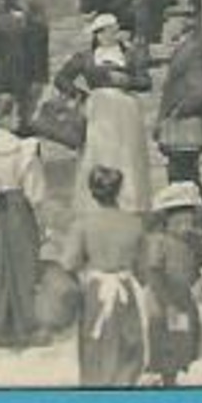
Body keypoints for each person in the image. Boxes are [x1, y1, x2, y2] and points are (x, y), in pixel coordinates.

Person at [60, 165, 150, 387]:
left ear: (92, 192)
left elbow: (68, 263)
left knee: (95, 348)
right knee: (128, 347)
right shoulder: (134, 224)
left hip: (95, 293)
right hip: (125, 292)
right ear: (118, 190)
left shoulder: (83, 225)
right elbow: (143, 271)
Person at [57, 14, 154, 215]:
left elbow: (146, 82)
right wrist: (80, 95)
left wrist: (127, 82)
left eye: (112, 30)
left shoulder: (129, 54)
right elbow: (62, 78)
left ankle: (130, 201)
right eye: (104, 31)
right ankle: (98, 199)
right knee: (99, 151)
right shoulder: (85, 57)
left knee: (127, 154)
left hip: (126, 110)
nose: (109, 35)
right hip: (99, 109)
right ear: (97, 35)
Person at [0, 92, 47, 349]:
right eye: (15, 113)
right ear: (3, 118)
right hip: (19, 208)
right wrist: (41, 219)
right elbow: (35, 190)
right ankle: (25, 324)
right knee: (24, 263)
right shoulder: (25, 148)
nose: (19, 118)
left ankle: (0, 324)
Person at [139, 181, 202, 385]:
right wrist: (167, 301)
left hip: (183, 296)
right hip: (163, 295)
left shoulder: (193, 243)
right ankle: (162, 376)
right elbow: (154, 271)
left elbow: (198, 267)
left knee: (183, 340)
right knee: (164, 335)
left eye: (189, 222)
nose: (186, 228)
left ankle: (175, 376)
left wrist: (200, 284)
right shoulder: (159, 241)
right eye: (179, 223)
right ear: (166, 220)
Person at [155, 19, 202, 191]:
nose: (165, 27)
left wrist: (177, 112)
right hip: (182, 128)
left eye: (168, 23)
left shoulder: (192, 52)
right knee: (185, 176)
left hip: (185, 128)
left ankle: (191, 212)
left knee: (183, 177)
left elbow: (199, 91)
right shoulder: (185, 50)